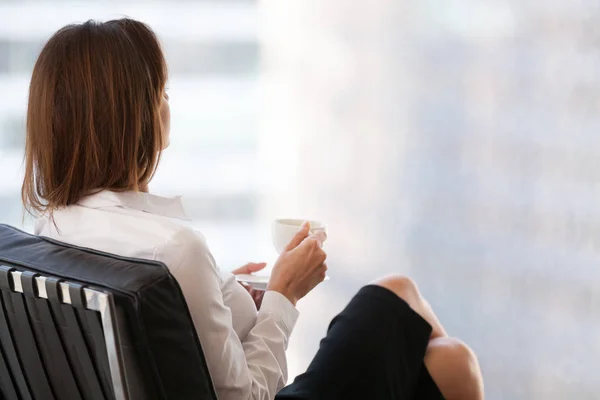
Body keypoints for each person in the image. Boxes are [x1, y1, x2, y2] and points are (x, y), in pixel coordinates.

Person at [22, 18, 484, 400]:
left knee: (447, 361)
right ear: (135, 120)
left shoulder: (50, 231)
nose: (168, 106)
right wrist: (284, 294)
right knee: (421, 322)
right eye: (161, 94)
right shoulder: (175, 249)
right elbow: (247, 396)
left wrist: (221, 291)